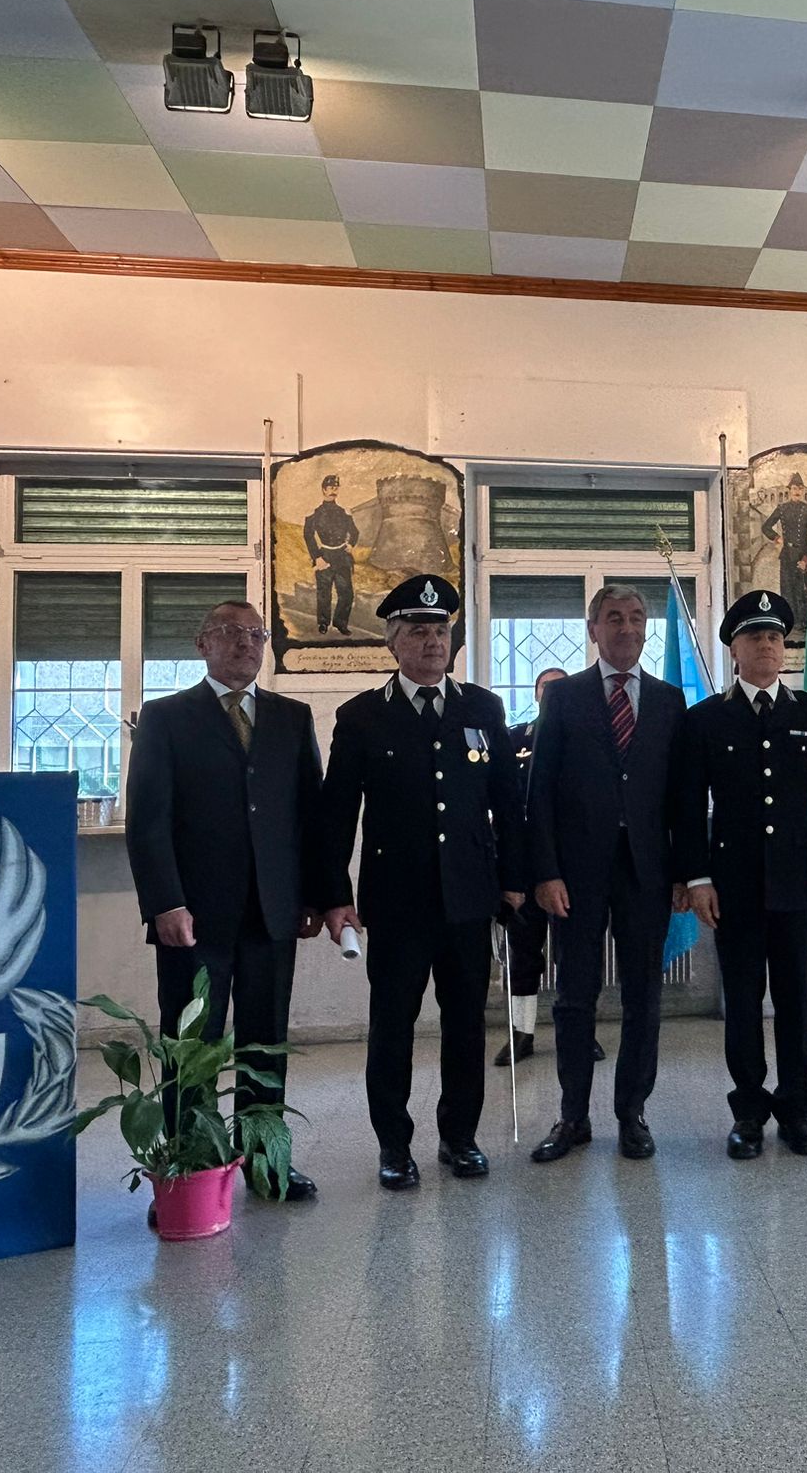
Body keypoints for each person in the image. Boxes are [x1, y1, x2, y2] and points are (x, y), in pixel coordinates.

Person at [315, 576, 526, 1191]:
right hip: (397, 902)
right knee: (392, 1028)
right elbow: (336, 814)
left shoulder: (482, 709)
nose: (432, 642)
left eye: (440, 630)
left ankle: (460, 1137)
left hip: (468, 898)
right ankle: (394, 1145)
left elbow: (508, 803)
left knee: (465, 1024)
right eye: (417, 631)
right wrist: (335, 896)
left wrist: (514, 879)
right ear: (393, 642)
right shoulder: (361, 717)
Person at [124, 599, 322, 1206]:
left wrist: (313, 896)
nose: (245, 644)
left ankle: (266, 1163)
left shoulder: (292, 718)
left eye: (256, 634)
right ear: (201, 643)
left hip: (271, 912)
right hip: (193, 917)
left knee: (265, 1042)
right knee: (192, 1045)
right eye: (231, 633)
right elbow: (148, 821)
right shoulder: (165, 718)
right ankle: (190, 1168)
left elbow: (309, 816)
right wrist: (165, 902)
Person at [674, 589, 807, 1159]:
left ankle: (797, 1111)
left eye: (775, 636)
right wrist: (696, 878)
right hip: (735, 885)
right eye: (755, 636)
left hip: (798, 881)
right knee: (744, 1003)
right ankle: (748, 1112)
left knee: (796, 1001)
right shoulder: (706, 718)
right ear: (734, 648)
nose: (768, 644)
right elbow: (686, 805)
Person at [525, 584, 687, 1162]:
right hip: (576, 874)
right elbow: (539, 790)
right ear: (593, 630)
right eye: (614, 618)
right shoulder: (564, 696)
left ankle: (632, 1113)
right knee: (574, 998)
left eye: (637, 617)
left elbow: (681, 797)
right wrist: (545, 871)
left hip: (647, 871)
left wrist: (686, 873)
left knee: (644, 996)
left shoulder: (669, 701)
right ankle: (573, 1117)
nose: (627, 627)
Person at [495, 667, 606, 1067]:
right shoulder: (515, 738)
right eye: (546, 687)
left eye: (561, 686)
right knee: (523, 953)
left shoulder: (586, 739)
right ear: (536, 693)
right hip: (524, 863)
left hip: (571, 863)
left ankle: (580, 1033)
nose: (554, 693)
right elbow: (503, 800)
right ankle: (521, 1033)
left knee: (575, 954)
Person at [303, 473, 360, 637]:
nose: (333, 491)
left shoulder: (344, 513)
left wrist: (350, 544)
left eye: (336, 488)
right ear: (323, 490)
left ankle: (340, 623)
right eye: (330, 487)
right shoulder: (315, 513)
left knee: (346, 593)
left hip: (342, 557)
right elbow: (308, 535)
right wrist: (317, 557)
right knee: (324, 593)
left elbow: (355, 532)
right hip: (325, 556)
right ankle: (323, 623)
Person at [759, 472, 807, 633]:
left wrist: (806, 559)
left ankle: (804, 622)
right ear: (789, 490)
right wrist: (777, 538)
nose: (797, 491)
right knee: (787, 589)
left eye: (800, 488)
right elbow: (766, 527)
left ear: (803, 490)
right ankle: (790, 621)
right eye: (794, 488)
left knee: (802, 590)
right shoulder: (782, 509)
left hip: (803, 554)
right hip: (787, 555)